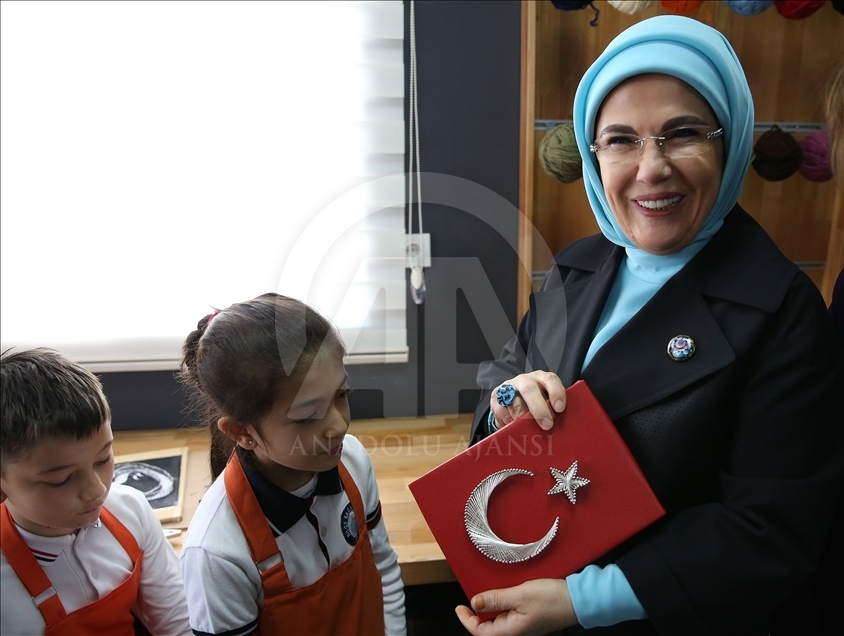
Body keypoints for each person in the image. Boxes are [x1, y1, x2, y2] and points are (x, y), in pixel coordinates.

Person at [456, 15, 844, 636]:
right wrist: (507, 404)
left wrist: (582, 601)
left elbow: (769, 528)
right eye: (620, 140)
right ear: (593, 155)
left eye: (682, 133)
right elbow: (501, 380)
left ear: (730, 143)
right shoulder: (578, 265)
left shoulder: (782, 311)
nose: (651, 167)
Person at [178, 293, 407, 635]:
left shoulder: (352, 460)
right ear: (243, 432)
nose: (339, 425)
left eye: (341, 396)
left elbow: (383, 570)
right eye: (308, 415)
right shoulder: (216, 552)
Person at [0, 348, 190, 635]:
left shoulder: (130, 510)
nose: (96, 490)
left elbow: (180, 623)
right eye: (61, 479)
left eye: (103, 460)